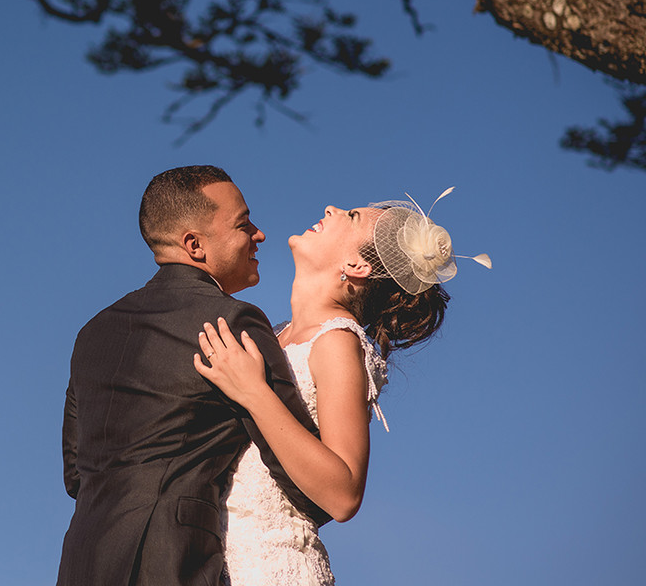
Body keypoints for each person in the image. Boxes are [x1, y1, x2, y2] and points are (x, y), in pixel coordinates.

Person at [195, 193, 489, 585]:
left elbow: (344, 493)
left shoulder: (336, 341)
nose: (331, 208)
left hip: (274, 568)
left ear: (357, 265)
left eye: (350, 216)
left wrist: (253, 391)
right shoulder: (277, 334)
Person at [57, 165, 329, 586]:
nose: (259, 235)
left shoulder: (92, 333)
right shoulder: (232, 322)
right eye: (243, 224)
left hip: (82, 560)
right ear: (194, 245)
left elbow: (76, 475)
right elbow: (311, 490)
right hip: (172, 561)